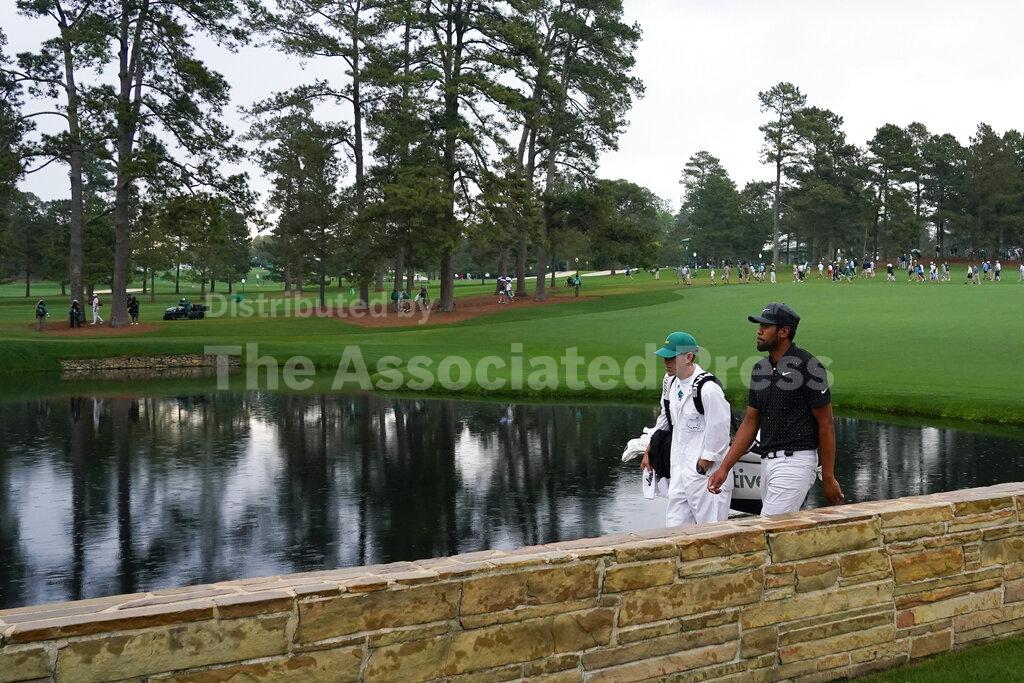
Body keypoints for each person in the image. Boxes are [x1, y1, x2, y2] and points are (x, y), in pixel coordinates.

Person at [708, 303, 844, 514]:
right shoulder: (760, 369)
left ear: (784, 331)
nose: (759, 331)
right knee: (782, 535)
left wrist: (828, 477)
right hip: (767, 463)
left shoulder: (809, 366)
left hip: (796, 461)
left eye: (765, 326)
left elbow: (826, 424)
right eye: (759, 326)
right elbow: (751, 422)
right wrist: (725, 467)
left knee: (768, 529)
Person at [642, 331, 733, 525]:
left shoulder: (708, 389)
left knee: (713, 533)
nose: (666, 361)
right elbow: (665, 417)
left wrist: (705, 464)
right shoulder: (670, 383)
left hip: (707, 478)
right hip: (680, 475)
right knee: (674, 531)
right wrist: (649, 449)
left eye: (671, 357)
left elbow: (721, 428)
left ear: (689, 357)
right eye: (664, 357)